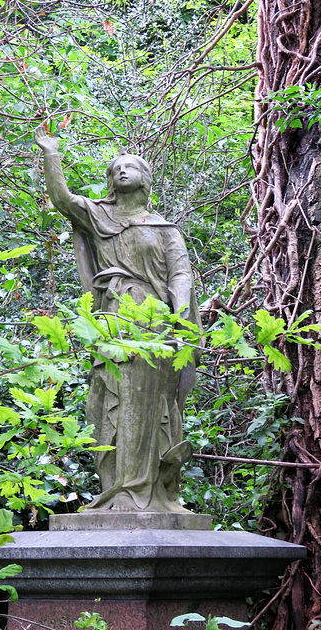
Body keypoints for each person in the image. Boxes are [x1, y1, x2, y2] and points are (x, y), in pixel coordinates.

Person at [34, 128, 201, 513]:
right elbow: (62, 200)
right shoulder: (98, 215)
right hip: (113, 314)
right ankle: (116, 487)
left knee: (145, 401)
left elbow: (180, 274)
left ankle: (143, 489)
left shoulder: (165, 229)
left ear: (145, 178)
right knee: (108, 397)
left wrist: (178, 315)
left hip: (153, 317)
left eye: (131, 167)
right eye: (116, 168)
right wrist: (52, 156)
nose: (122, 171)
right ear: (111, 181)